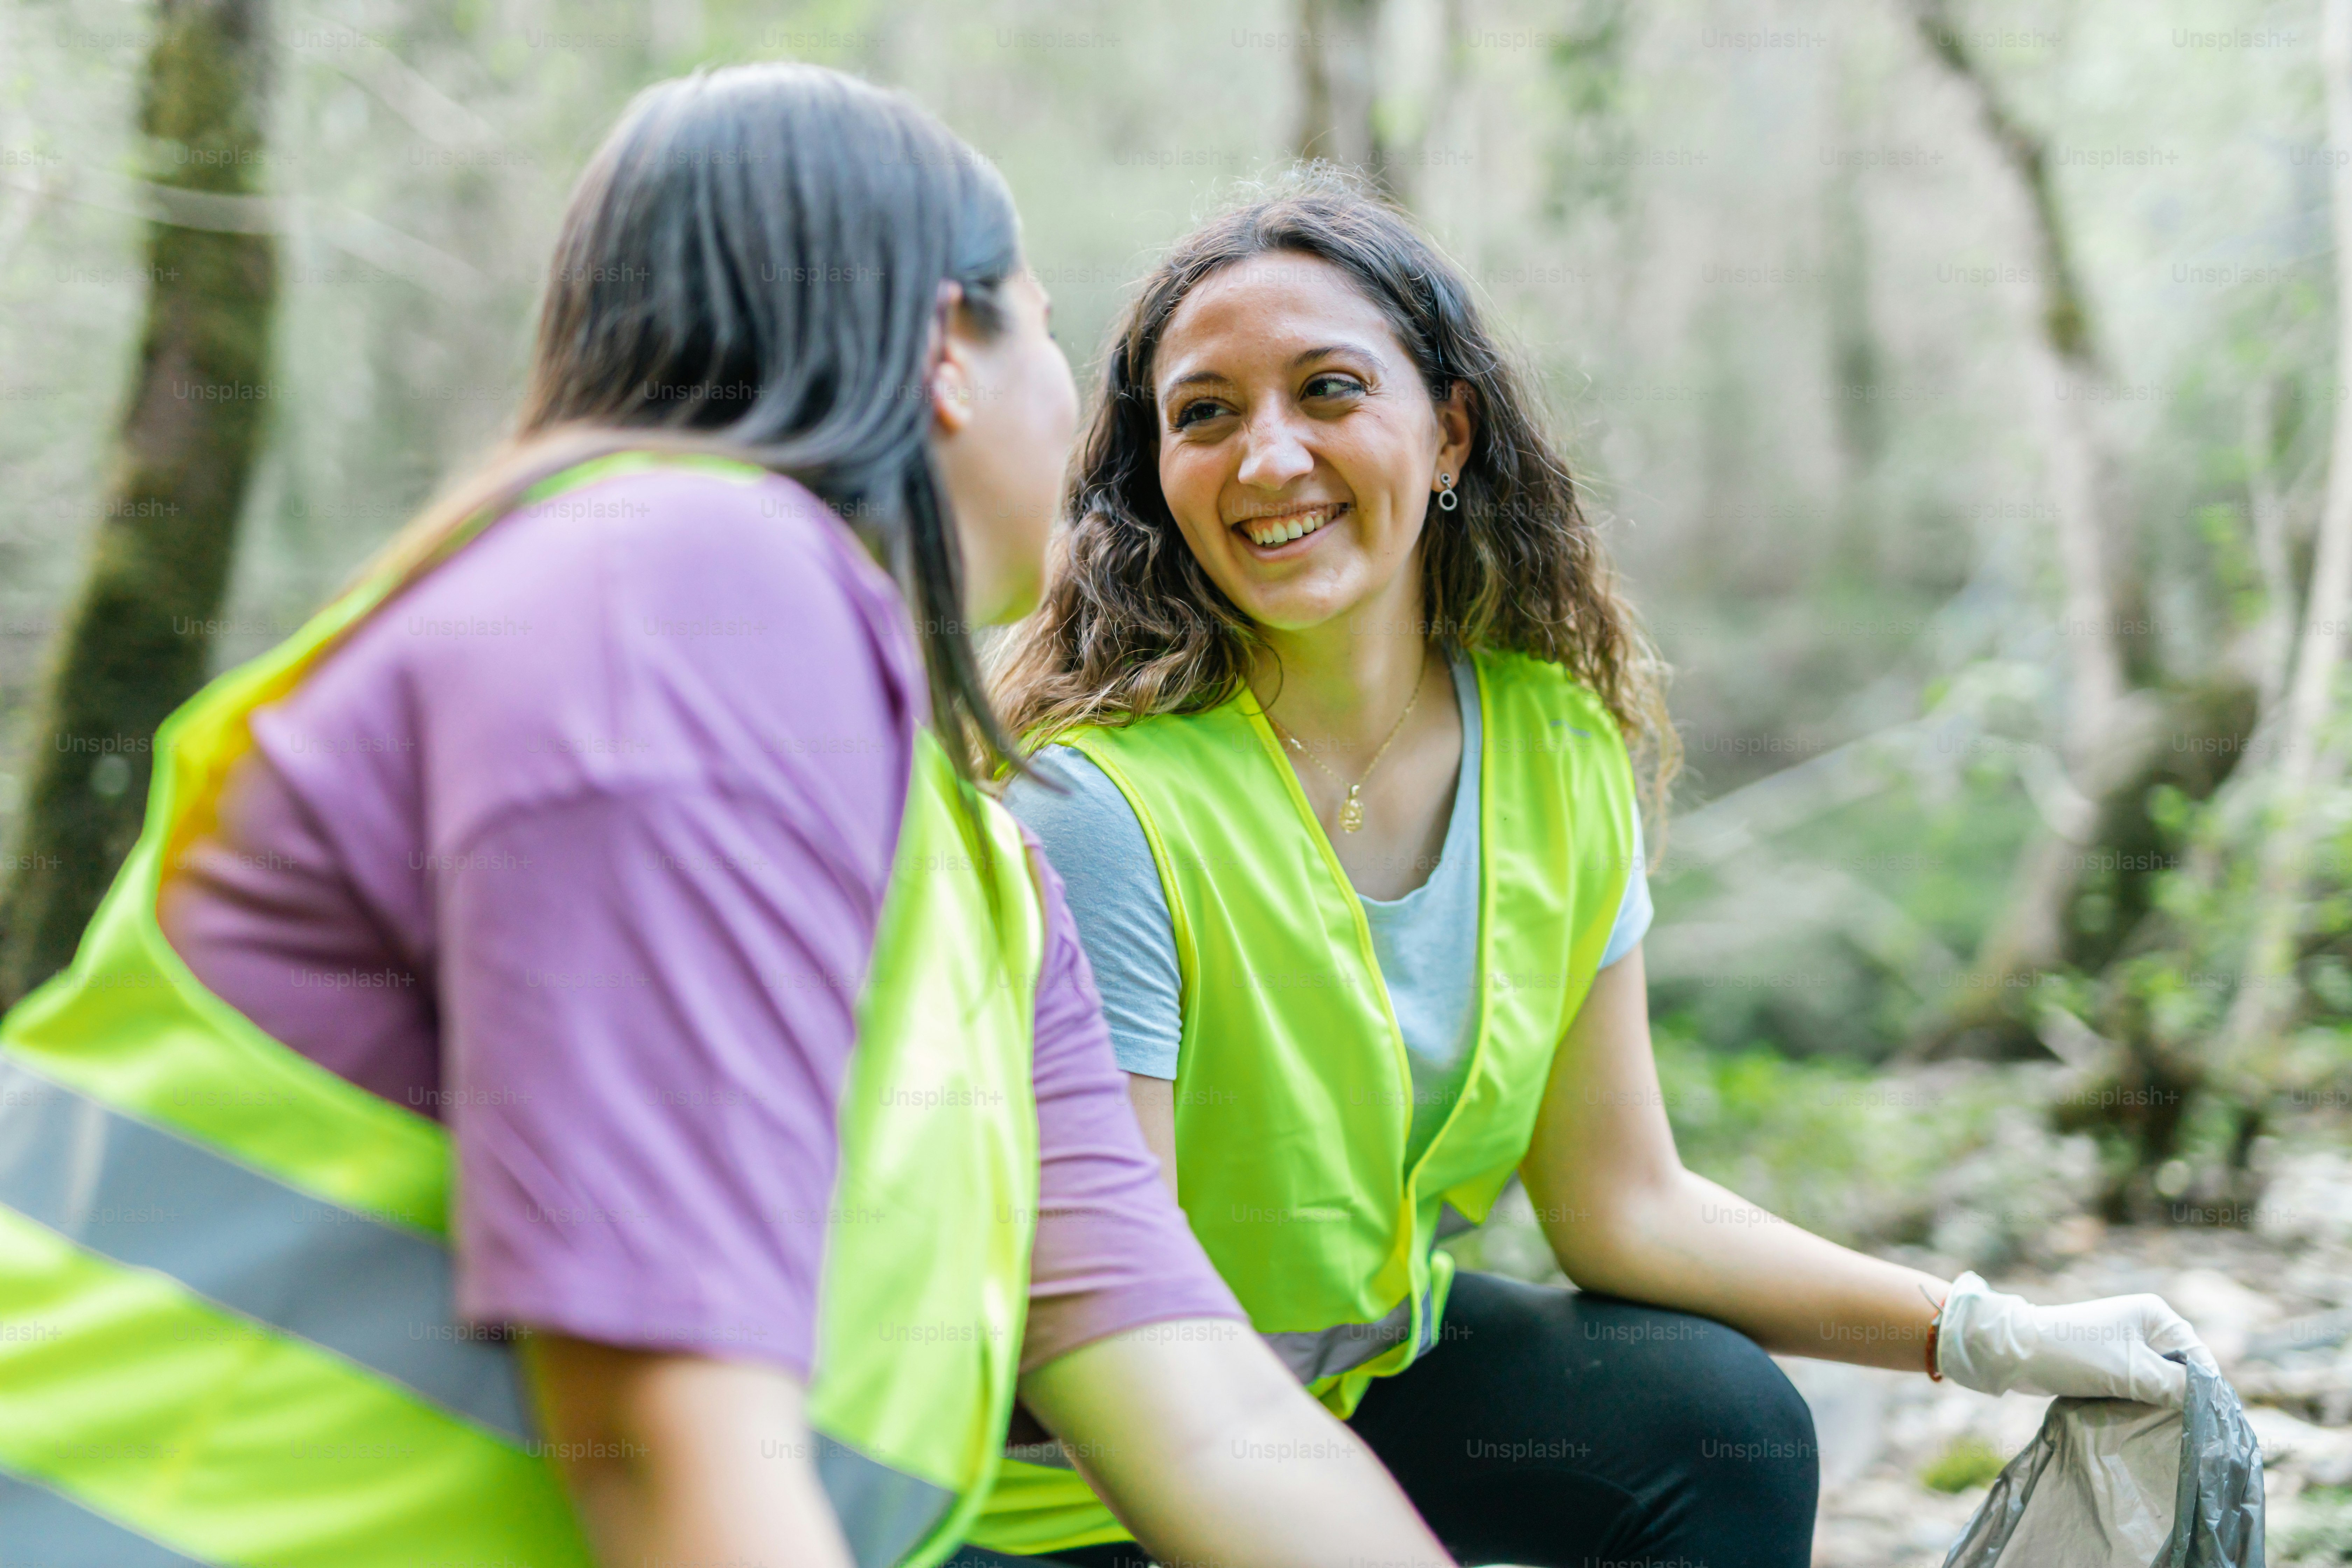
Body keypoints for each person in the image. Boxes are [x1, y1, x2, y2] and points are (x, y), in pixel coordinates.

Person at [0, 73, 1453, 1568]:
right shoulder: (686, 582)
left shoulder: (981, 870)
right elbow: (668, 1453)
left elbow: (1213, 1419)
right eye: (1048, 322)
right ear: (947, 346)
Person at [976, 172, 2218, 1568]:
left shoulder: (1553, 744)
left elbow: (1622, 1203)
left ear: (1447, 433)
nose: (1268, 458)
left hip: (1344, 1390)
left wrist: (1986, 1334)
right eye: (1206, 413)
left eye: (1329, 390)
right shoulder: (1098, 805)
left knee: (1709, 1420)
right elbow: (1113, 1329)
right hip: (1089, 1474)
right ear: (1157, 471)